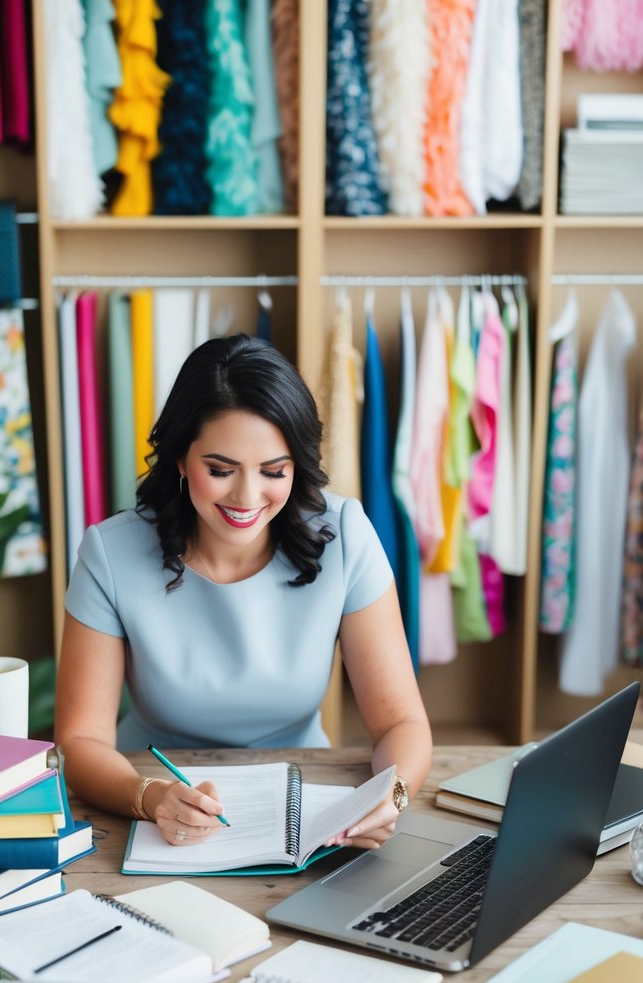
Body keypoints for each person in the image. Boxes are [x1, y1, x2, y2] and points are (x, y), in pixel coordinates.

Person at [55, 333, 432, 849]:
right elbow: (79, 742)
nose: (247, 497)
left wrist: (394, 793)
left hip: (303, 800)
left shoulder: (346, 534)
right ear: (181, 461)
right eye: (220, 470)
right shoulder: (110, 553)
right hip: (151, 806)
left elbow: (401, 721)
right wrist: (150, 796)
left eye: (273, 471)